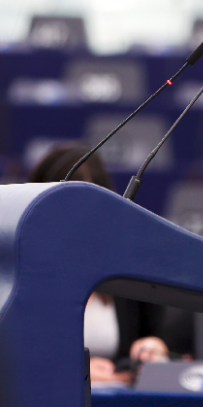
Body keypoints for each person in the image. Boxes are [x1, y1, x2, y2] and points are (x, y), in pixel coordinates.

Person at [28, 144, 181, 383]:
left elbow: (162, 338)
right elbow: (10, 355)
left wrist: (153, 348)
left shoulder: (128, 266)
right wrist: (76, 370)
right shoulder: (21, 273)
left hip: (118, 399)